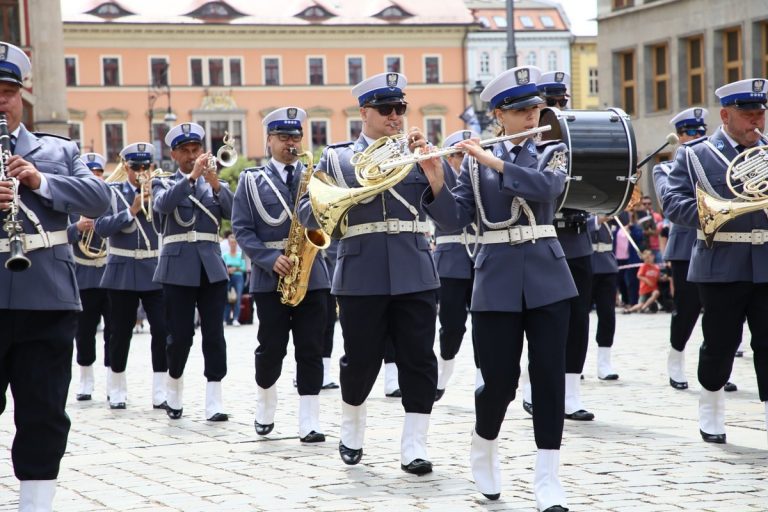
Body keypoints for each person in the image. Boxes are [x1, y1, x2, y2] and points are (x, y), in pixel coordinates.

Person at [422, 65, 574, 511]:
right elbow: (455, 219)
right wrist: (436, 178)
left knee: (548, 379)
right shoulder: (470, 164)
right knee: (499, 382)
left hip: (548, 278)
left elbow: (548, 189)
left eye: (536, 108)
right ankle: (484, 444)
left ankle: (548, 478)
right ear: (499, 115)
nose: (533, 117)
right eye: (522, 110)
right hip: (495, 281)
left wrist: (493, 160)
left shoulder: (553, 151)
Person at [298, 72, 440, 475]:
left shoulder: (417, 153)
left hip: (414, 268)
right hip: (361, 271)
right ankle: (352, 431)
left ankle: (414, 445)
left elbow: (446, 214)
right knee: (359, 360)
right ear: (365, 112)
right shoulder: (337, 158)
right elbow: (311, 216)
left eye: (401, 109)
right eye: (386, 109)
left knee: (419, 360)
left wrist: (433, 171)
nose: (395, 116)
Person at [0, 41, 111, 511]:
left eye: (6, 91)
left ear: (23, 95)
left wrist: (39, 182)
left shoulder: (58, 150)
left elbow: (99, 199)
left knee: (44, 412)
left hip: (46, 298)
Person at [664, 78, 768, 444]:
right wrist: (710, 214)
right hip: (720, 261)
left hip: (766, 260)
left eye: (760, 113)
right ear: (726, 115)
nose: (757, 121)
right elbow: (673, 202)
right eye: (748, 115)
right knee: (720, 342)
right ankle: (711, 407)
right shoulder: (695, 155)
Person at [232, 106, 330, 443]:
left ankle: (310, 421)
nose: (292, 143)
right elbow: (242, 230)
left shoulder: (315, 177)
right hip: (269, 275)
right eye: (285, 137)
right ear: (270, 139)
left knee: (311, 348)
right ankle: (266, 405)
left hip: (312, 273)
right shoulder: (250, 180)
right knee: (271, 347)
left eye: (296, 137)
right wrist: (267, 258)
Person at [522, 71, 595, 421]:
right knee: (539, 320)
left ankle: (572, 394)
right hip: (539, 238)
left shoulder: (576, 139)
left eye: (561, 102)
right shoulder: (525, 148)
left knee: (579, 319)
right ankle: (533, 387)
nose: (556, 110)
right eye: (548, 104)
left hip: (576, 238)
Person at [153, 122, 233, 421]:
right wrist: (192, 177)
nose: (191, 155)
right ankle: (173, 390)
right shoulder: (163, 181)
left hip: (211, 266)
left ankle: (215, 399)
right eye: (185, 151)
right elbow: (162, 205)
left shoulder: (214, 184)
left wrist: (213, 182)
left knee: (215, 334)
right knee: (180, 335)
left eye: (195, 150)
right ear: (173, 154)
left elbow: (234, 212)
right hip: (177, 267)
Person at [655, 108, 739, 392]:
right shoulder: (664, 167)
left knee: (721, 314)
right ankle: (676, 357)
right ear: (679, 136)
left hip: (722, 242)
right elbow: (671, 199)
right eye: (690, 133)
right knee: (687, 309)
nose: (696, 136)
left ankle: (720, 368)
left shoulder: (721, 161)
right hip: (686, 245)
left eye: (700, 131)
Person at [94, 143, 169, 410]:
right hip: (122, 269)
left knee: (162, 329)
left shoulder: (158, 192)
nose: (141, 172)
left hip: (152, 269)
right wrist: (132, 210)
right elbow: (101, 227)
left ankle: (161, 390)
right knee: (119, 331)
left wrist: (154, 201)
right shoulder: (112, 193)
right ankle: (116, 388)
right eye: (135, 167)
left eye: (145, 167)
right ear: (125, 167)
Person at [433, 129, 481, 400]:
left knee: (485, 324)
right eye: (458, 155)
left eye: (468, 153)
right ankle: (444, 372)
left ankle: (482, 377)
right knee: (452, 324)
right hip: (451, 259)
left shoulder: (482, 175)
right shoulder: (442, 178)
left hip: (481, 257)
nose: (463, 159)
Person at [68, 152, 111, 401]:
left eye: (98, 174)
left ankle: (111, 377)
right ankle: (85, 380)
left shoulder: (109, 201)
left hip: (108, 271)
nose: (95, 178)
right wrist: (77, 227)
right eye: (90, 174)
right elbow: (61, 234)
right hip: (83, 274)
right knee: (84, 331)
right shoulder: (72, 204)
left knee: (113, 331)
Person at [588, 215, 619, 380]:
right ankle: (574, 363)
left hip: (607, 266)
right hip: (584, 264)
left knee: (607, 315)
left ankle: (604, 364)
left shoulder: (607, 206)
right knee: (578, 319)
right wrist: (596, 221)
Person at [222, 233, 246, 326]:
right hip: (228, 277)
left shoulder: (240, 255)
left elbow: (244, 267)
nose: (233, 244)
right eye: (231, 243)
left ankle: (236, 318)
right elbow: (222, 267)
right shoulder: (225, 255)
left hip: (238, 276)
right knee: (226, 298)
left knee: (238, 297)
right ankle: (225, 318)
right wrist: (228, 270)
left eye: (234, 243)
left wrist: (234, 269)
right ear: (229, 243)